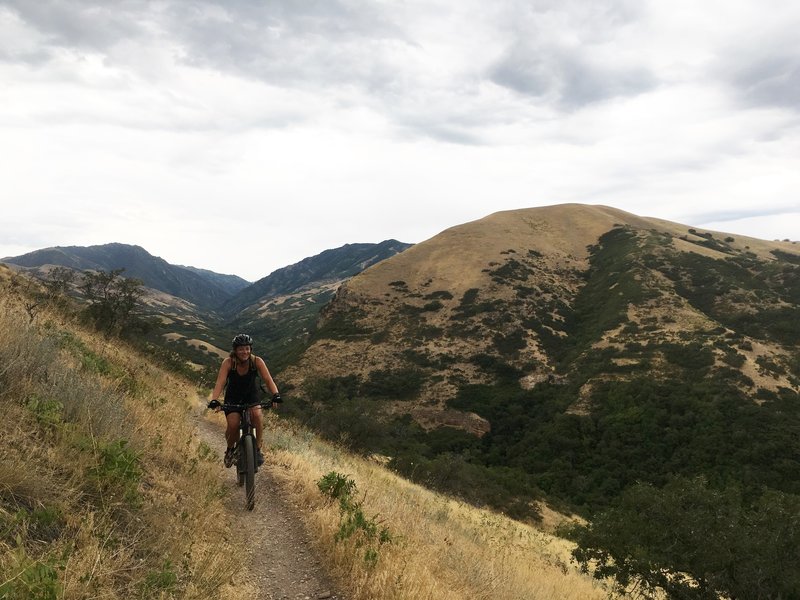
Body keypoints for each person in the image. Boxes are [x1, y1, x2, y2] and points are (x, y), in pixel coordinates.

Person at [209, 333, 281, 467]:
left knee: (257, 416)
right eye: (241, 349)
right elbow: (220, 382)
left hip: (251, 395)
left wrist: (276, 394)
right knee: (233, 425)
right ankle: (230, 449)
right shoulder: (229, 362)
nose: (244, 352)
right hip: (233, 397)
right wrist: (215, 400)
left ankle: (257, 449)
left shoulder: (257, 361)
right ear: (235, 350)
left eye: (247, 348)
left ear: (251, 349)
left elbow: (268, 379)